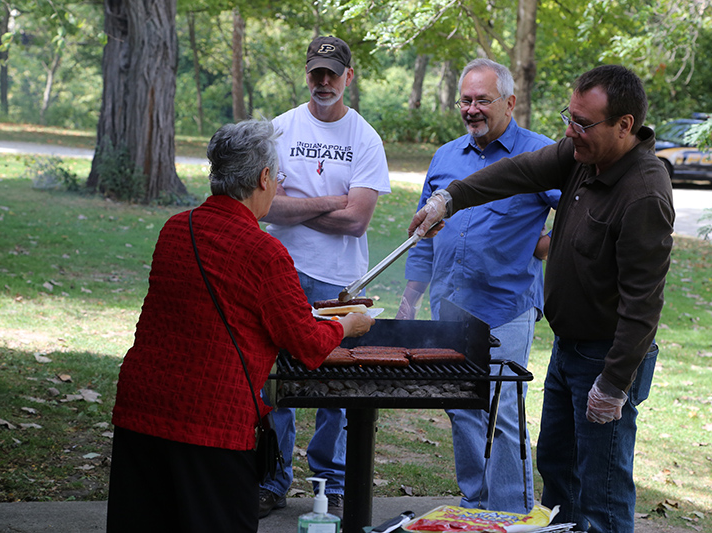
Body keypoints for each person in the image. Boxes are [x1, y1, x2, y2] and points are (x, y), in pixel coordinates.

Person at [408, 65, 674, 533]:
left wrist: (613, 385)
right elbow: (516, 171)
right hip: (568, 348)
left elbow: (643, 303)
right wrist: (449, 198)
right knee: (558, 473)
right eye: (569, 118)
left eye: (584, 123)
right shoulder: (581, 155)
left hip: (605, 357)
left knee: (602, 490)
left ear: (625, 125)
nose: (572, 132)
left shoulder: (643, 192)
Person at [106, 120, 375, 533]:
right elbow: (306, 343)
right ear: (264, 178)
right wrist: (348, 326)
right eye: (279, 177)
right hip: (211, 419)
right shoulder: (265, 251)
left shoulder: (176, 228)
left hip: (142, 409)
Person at [396, 58, 560, 514]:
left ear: (510, 102)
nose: (472, 109)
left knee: (502, 412)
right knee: (461, 406)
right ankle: (475, 504)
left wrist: (544, 243)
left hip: (507, 306)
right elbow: (422, 234)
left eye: (482, 100)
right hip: (449, 306)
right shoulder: (446, 156)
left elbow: (579, 212)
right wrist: (411, 296)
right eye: (466, 100)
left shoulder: (540, 153)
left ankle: (510, 514)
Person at [258, 35, 391, 518]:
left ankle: (330, 482)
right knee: (277, 382)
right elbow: (262, 206)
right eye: (317, 72)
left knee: (336, 388)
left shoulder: (365, 138)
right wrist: (332, 201)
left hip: (342, 282)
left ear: (348, 78)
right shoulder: (278, 130)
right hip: (283, 271)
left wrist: (291, 208)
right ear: (307, 73)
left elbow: (358, 221)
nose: (324, 81)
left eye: (333, 73)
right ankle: (272, 479)